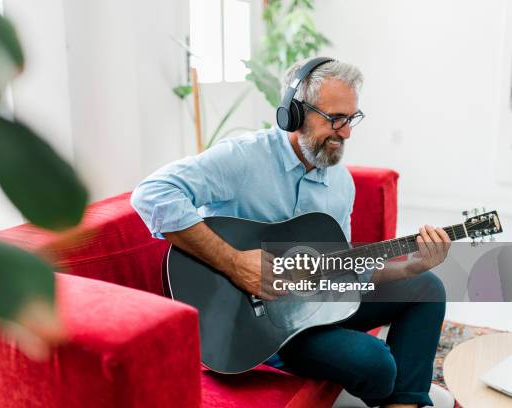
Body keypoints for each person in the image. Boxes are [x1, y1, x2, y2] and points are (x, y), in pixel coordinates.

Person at [131, 58, 451, 408]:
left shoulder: (340, 183)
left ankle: (404, 403)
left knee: (427, 288)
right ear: (293, 113)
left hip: (314, 303)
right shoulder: (243, 159)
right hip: (253, 326)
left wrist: (409, 267)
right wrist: (236, 263)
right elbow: (152, 193)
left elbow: (342, 272)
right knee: (375, 365)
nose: (346, 133)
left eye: (351, 119)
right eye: (335, 119)